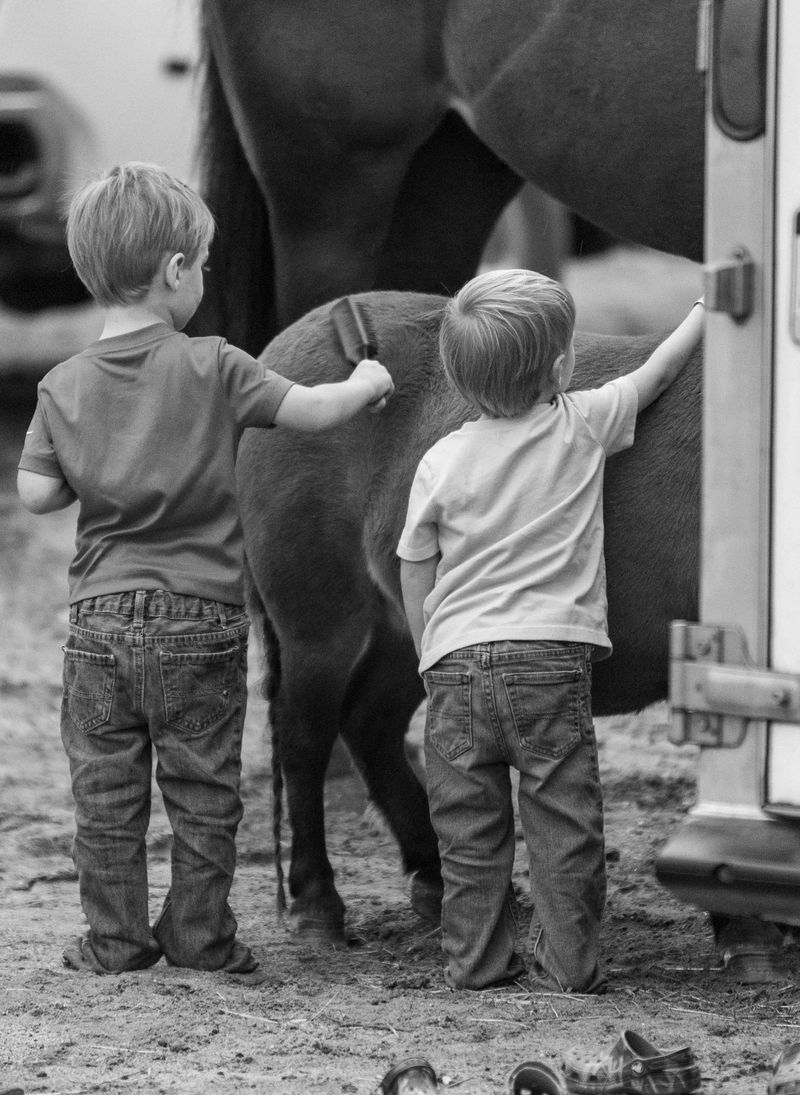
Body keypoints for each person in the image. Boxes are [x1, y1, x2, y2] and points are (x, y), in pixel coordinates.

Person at [16, 162, 393, 978]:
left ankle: (114, 941)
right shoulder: (217, 366)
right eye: (205, 264)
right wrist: (366, 380)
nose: (206, 279)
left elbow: (39, 494)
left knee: (106, 796)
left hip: (101, 621)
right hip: (200, 618)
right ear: (175, 272)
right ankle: (199, 936)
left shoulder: (62, 384)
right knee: (203, 790)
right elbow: (315, 412)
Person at [397, 268, 704, 992]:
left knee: (469, 837)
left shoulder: (439, 460)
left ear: (453, 376)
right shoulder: (581, 424)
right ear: (563, 366)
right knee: (564, 829)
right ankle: (570, 967)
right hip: (548, 663)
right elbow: (656, 374)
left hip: (456, 665)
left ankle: (475, 964)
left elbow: (415, 564)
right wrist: (700, 312)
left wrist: (427, 651)